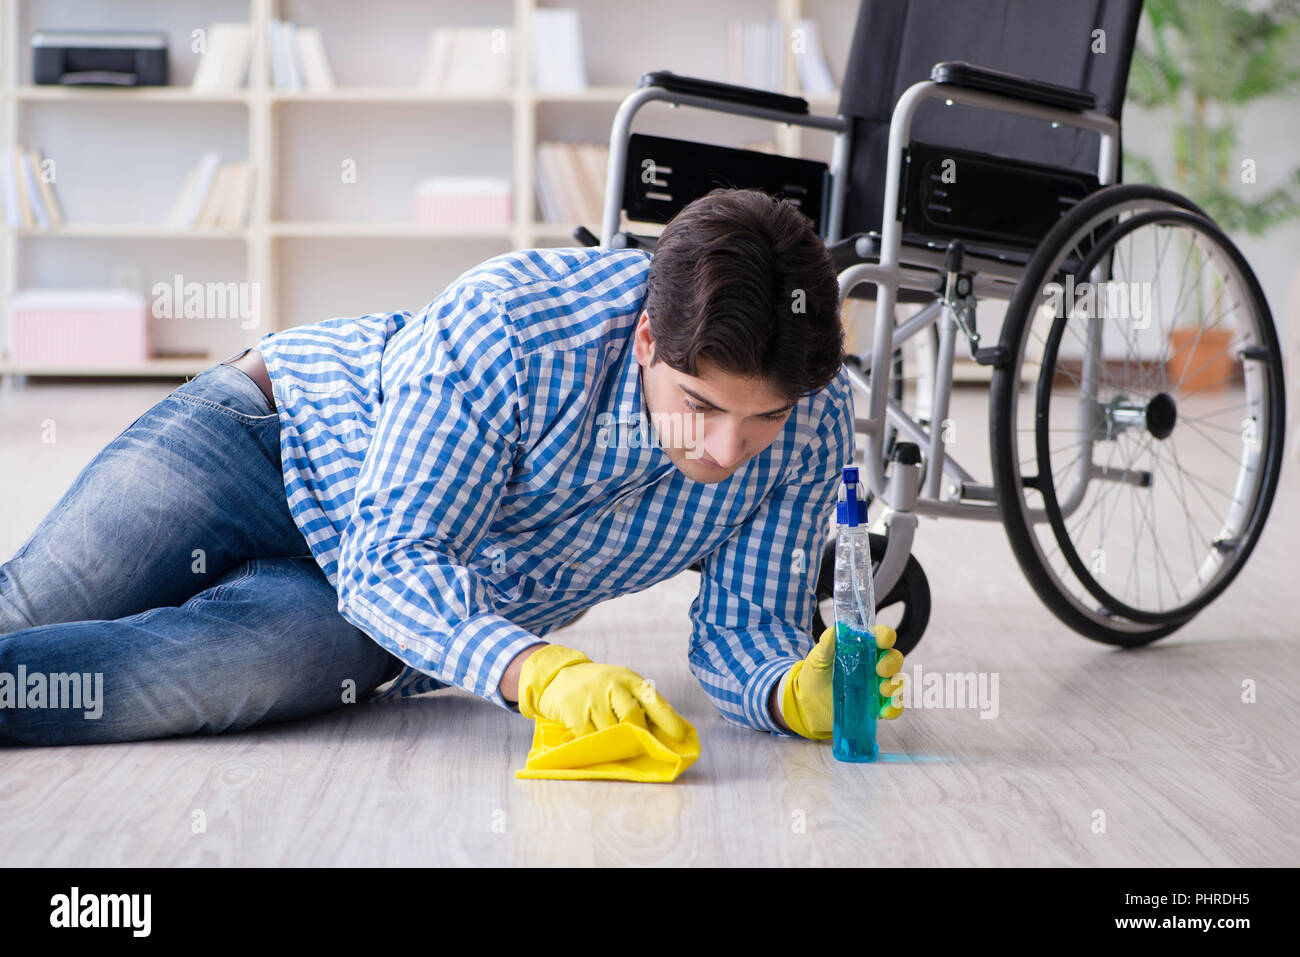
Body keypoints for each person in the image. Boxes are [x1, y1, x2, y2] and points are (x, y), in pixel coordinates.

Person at [0, 187, 903, 747]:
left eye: (763, 419)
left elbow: (745, 627)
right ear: (644, 337)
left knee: (198, 678)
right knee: (33, 607)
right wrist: (536, 669)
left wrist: (788, 690)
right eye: (701, 407)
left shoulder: (811, 428)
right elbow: (397, 549)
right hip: (267, 437)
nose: (725, 451)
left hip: (370, 603)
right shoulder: (514, 322)